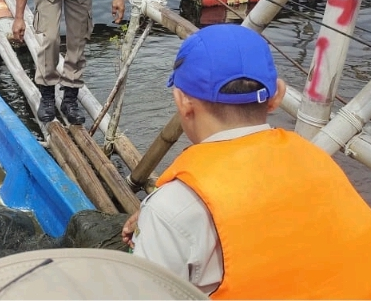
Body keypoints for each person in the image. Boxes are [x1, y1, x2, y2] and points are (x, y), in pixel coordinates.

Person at [120, 24, 371, 299]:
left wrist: (161, 219)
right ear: (276, 96)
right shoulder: (318, 162)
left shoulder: (172, 207)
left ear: (182, 102)